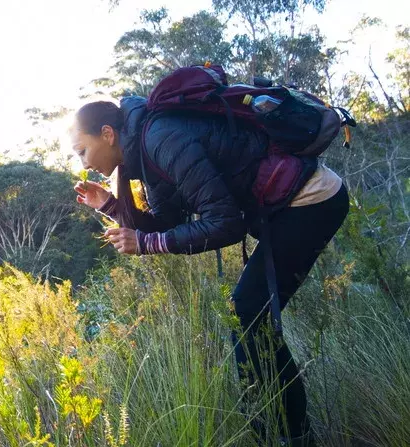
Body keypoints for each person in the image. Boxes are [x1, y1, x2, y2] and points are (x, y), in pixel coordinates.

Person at [71, 97, 349, 446]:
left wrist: (147, 243)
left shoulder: (160, 140)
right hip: (286, 208)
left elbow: (225, 224)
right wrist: (109, 205)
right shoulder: (143, 155)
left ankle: (292, 435)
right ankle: (278, 430)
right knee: (249, 315)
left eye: (82, 150)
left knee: (248, 312)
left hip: (312, 200)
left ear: (108, 134)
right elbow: (166, 223)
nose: (82, 162)